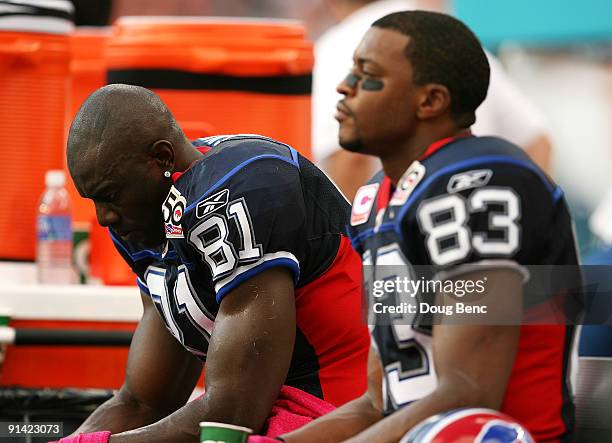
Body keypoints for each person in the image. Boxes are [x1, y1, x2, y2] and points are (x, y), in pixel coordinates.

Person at [281, 11, 579, 442]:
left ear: (430, 101)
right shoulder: (376, 198)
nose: (344, 86)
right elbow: (377, 402)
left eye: (368, 76)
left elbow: (467, 394)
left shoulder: (479, 183)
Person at [64, 84, 369, 442]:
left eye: (111, 195)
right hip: (278, 414)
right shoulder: (151, 216)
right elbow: (144, 401)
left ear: (162, 159)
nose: (103, 217)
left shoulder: (240, 188)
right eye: (94, 200)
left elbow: (232, 415)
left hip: (342, 408)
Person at [313, 0, 553, 200]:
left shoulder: (340, 43)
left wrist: (365, 241)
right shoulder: (446, 38)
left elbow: (348, 159)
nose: (345, 86)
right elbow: (537, 141)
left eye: (367, 75)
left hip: (413, 228)